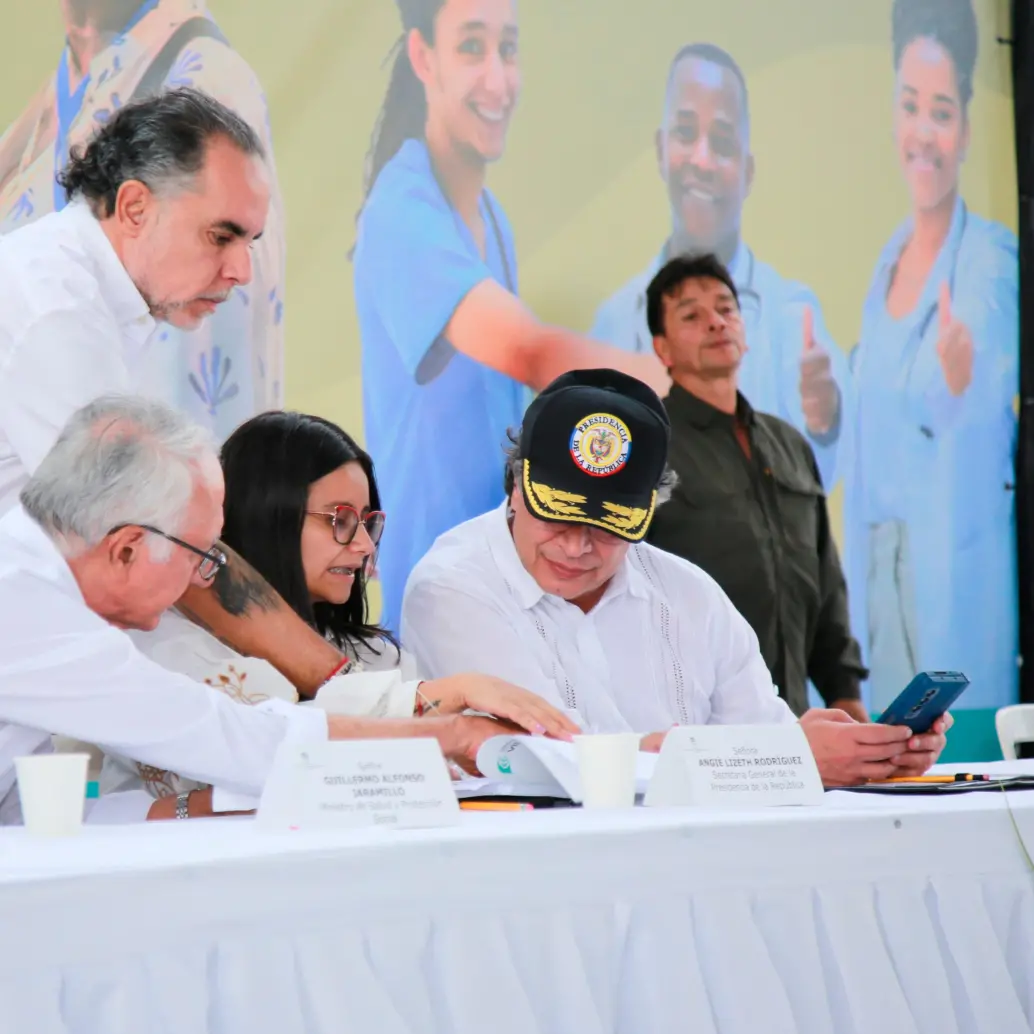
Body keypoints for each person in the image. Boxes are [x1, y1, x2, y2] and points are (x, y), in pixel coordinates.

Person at [0, 395, 571, 824]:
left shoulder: (36, 586)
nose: (206, 578)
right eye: (201, 554)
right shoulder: (34, 615)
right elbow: (232, 738)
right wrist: (443, 732)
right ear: (125, 548)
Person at [403, 368, 951, 786]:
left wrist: (863, 752)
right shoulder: (453, 587)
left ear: (653, 506)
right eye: (557, 513)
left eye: (608, 525)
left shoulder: (690, 594)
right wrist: (788, 755)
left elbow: (764, 732)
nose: (576, 545)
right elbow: (549, 765)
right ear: (514, 482)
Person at [352, 0, 668, 634]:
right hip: (438, 588)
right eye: (472, 47)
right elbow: (528, 352)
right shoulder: (402, 210)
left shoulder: (494, 220)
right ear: (423, 55)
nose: (498, 79)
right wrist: (670, 378)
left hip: (512, 582)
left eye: (510, 48)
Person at [0, 0, 285, 439]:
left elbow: (198, 406)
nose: (239, 269)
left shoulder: (204, 78)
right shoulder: (63, 87)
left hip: (141, 479)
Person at [844, 0, 1018, 711]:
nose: (923, 132)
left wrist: (961, 370)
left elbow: (981, 380)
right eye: (911, 106)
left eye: (942, 112)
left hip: (951, 586)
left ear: (969, 128)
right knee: (882, 773)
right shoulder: (882, 265)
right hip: (878, 588)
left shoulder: (990, 259)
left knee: (960, 773)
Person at [0, 86, 271, 517]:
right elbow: (132, 538)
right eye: (220, 237)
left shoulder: (97, 294)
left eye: (250, 242)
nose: (242, 271)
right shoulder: (56, 310)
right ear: (134, 208)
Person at [589, 42, 848, 489]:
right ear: (660, 149)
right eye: (686, 134)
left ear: (748, 171)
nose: (703, 161)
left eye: (723, 143)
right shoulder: (612, 320)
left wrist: (825, 419)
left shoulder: (792, 314)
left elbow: (816, 483)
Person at [644, 253, 868, 722]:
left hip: (795, 717)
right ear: (662, 350)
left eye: (726, 308)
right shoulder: (649, 445)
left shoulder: (789, 443)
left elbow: (824, 578)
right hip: (690, 717)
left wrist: (844, 694)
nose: (715, 322)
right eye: (691, 314)